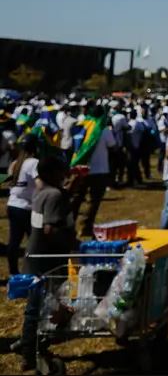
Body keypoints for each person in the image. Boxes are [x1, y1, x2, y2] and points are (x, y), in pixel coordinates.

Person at [19, 155, 77, 371]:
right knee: (39, 309)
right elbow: (50, 229)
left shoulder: (42, 192)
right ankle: (30, 352)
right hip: (47, 261)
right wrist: (72, 242)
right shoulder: (53, 195)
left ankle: (30, 350)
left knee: (38, 308)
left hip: (38, 258)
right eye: (62, 171)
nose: (65, 175)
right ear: (52, 173)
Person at [72, 106, 116, 237]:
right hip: (99, 170)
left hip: (81, 168)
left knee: (76, 200)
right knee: (94, 201)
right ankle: (85, 227)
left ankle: (69, 225)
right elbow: (113, 145)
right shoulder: (103, 129)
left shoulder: (83, 126)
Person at [5, 135, 39, 275]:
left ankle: (13, 272)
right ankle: (32, 271)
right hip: (26, 207)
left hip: (12, 205)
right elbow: (39, 184)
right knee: (34, 242)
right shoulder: (33, 162)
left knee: (14, 241)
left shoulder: (15, 163)